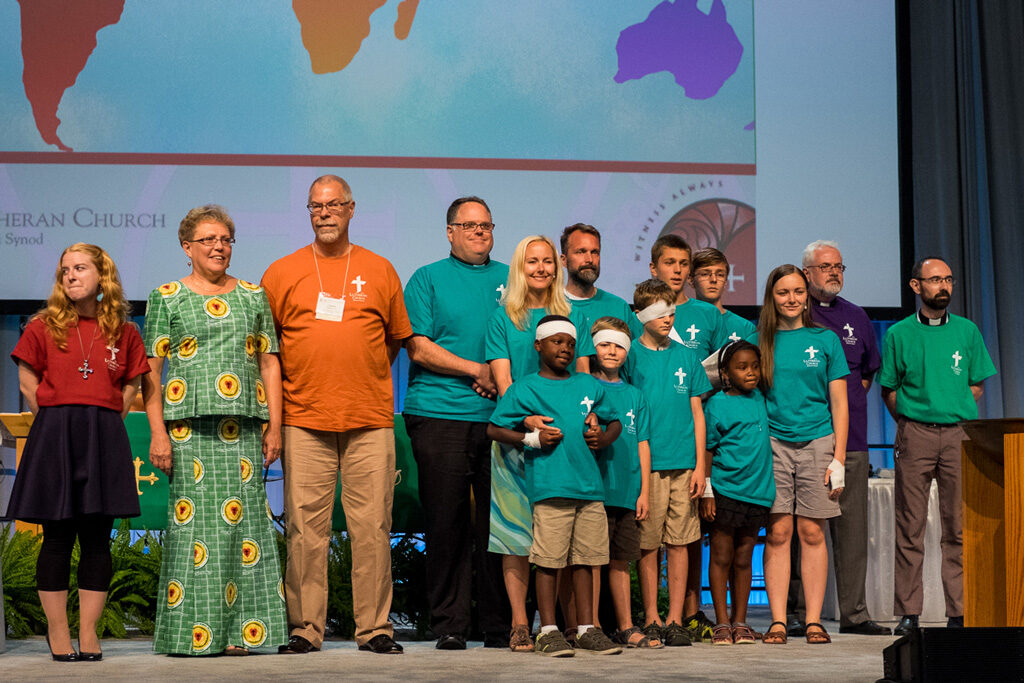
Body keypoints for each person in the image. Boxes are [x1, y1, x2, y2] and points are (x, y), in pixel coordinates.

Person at [261, 175, 412, 655]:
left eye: (334, 205)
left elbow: (392, 341)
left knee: (372, 528)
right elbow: (268, 352)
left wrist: (358, 373)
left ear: (351, 209)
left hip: (370, 419)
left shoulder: (380, 269)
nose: (324, 213)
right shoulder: (281, 272)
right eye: (315, 206)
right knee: (307, 530)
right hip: (304, 419)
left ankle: (375, 628)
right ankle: (306, 627)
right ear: (309, 212)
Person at [143, 205, 287, 656]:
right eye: (207, 240)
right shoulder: (165, 296)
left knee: (242, 532)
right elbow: (151, 371)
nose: (218, 247)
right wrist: (158, 433)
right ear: (187, 248)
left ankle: (240, 634)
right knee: (192, 533)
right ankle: (190, 634)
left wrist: (275, 428)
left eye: (225, 239)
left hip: (241, 428)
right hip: (187, 431)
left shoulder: (251, 295)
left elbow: (268, 362)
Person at [6, 243, 147, 662]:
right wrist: (55, 419)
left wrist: (103, 417)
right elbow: (28, 379)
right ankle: (58, 632)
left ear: (102, 276)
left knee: (97, 540)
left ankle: (89, 633)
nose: (70, 275)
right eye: (65, 269)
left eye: (80, 268)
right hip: (56, 435)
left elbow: (131, 386)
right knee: (56, 539)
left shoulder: (124, 330)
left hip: (103, 435)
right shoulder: (42, 326)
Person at [402, 196, 509, 649]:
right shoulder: (426, 278)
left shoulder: (514, 277)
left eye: (485, 225)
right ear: (450, 232)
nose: (479, 233)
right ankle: (449, 625)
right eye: (469, 226)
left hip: (502, 417)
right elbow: (419, 347)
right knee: (446, 525)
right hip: (439, 413)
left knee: (499, 525)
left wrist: (503, 383)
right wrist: (476, 370)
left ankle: (500, 624)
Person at [488, 315, 623, 656]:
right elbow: (494, 429)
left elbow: (615, 421)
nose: (564, 348)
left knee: (585, 560)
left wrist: (602, 435)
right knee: (550, 561)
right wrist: (531, 439)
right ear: (538, 345)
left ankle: (586, 628)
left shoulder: (589, 385)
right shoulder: (526, 388)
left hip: (589, 489)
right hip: (549, 489)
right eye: (556, 341)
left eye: (570, 343)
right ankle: (548, 630)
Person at [483, 234, 593, 652]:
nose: (542, 268)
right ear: (519, 267)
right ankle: (518, 623)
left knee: (559, 537)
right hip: (515, 443)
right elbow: (504, 380)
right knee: (515, 536)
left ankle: (558, 624)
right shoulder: (503, 319)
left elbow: (584, 382)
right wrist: (528, 420)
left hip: (564, 445)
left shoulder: (572, 316)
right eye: (533, 261)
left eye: (548, 261)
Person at [878, 257, 996, 636]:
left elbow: (976, 384)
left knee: (958, 528)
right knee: (909, 526)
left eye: (947, 279)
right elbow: (889, 390)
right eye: (934, 280)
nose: (943, 286)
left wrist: (952, 411)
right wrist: (914, 422)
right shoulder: (898, 334)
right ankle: (909, 612)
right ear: (916, 287)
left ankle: (959, 612)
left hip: (959, 434)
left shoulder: (967, 331)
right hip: (916, 434)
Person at [796, 240, 889, 636]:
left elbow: (866, 375)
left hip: (850, 444)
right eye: (825, 266)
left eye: (838, 266)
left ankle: (854, 614)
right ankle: (802, 615)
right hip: (803, 442)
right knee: (804, 531)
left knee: (852, 535)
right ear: (806, 273)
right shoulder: (792, 315)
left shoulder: (857, 317)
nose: (834, 272)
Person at [754, 265, 849, 646]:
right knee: (778, 532)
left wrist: (838, 457)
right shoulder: (757, 338)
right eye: (783, 293)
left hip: (818, 443)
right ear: (771, 297)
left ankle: (813, 620)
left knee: (812, 531)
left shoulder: (825, 339)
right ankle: (778, 620)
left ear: (806, 295)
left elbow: (839, 403)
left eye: (797, 291)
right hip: (773, 444)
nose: (791, 299)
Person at [621, 278, 711, 647]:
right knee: (648, 544)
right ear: (642, 315)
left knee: (680, 541)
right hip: (648, 467)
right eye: (659, 311)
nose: (668, 317)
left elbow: (698, 415)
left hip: (684, 465)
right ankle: (652, 617)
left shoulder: (687, 358)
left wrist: (701, 468)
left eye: (672, 310)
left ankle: (676, 617)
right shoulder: (631, 358)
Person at [649, 237, 727, 641]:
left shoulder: (705, 314)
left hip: (698, 430)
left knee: (690, 529)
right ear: (654, 268)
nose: (677, 271)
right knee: (649, 534)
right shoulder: (641, 317)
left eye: (683, 264)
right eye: (670, 263)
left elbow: (721, 368)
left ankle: (690, 612)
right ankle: (652, 613)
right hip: (654, 439)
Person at [588, 317, 662, 649]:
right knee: (591, 560)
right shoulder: (584, 387)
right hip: (593, 490)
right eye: (604, 343)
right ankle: (590, 625)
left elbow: (642, 443)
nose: (612, 351)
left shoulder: (635, 396)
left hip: (627, 491)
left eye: (619, 345)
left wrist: (644, 491)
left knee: (620, 560)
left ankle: (626, 626)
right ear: (593, 347)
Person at [700, 341, 775, 646]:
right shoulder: (716, 404)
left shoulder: (761, 399)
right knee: (721, 556)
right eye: (742, 367)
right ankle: (721, 622)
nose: (751, 373)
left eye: (755, 366)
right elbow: (707, 447)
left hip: (757, 492)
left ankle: (740, 622)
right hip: (725, 490)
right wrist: (706, 491)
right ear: (726, 374)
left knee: (744, 558)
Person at [559, 223, 634, 333]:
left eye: (595, 252)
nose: (589, 259)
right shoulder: (551, 306)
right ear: (564, 260)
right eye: (581, 252)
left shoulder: (619, 307)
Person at [689, 248, 756, 344]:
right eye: (705, 274)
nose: (713, 279)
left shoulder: (746, 328)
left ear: (725, 282)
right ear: (691, 280)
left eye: (720, 275)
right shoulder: (677, 321)